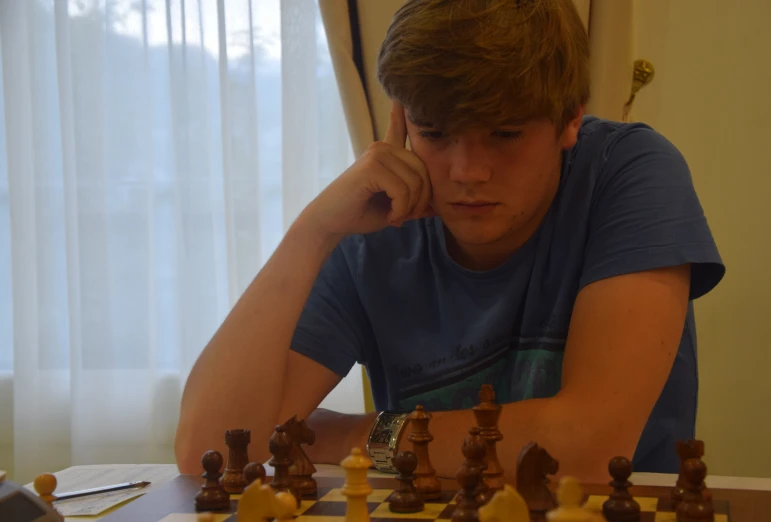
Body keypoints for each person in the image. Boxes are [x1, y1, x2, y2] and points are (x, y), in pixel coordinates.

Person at [174, 0, 724, 483]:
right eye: (435, 132)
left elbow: (586, 449)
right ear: (401, 120)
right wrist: (312, 232)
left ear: (570, 118)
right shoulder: (373, 226)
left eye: (505, 133)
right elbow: (212, 451)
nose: (467, 172)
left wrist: (342, 437)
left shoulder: (629, 172)